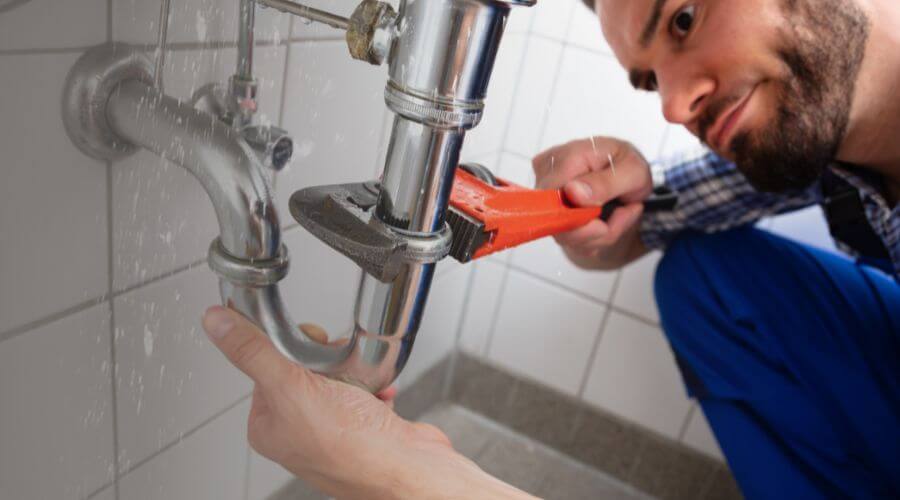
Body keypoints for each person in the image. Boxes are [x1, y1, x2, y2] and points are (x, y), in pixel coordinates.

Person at [202, 0, 900, 498]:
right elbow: (639, 225)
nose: (676, 106)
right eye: (651, 79)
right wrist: (588, 209)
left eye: (684, 19)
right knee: (708, 280)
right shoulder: (821, 141)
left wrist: (406, 478)